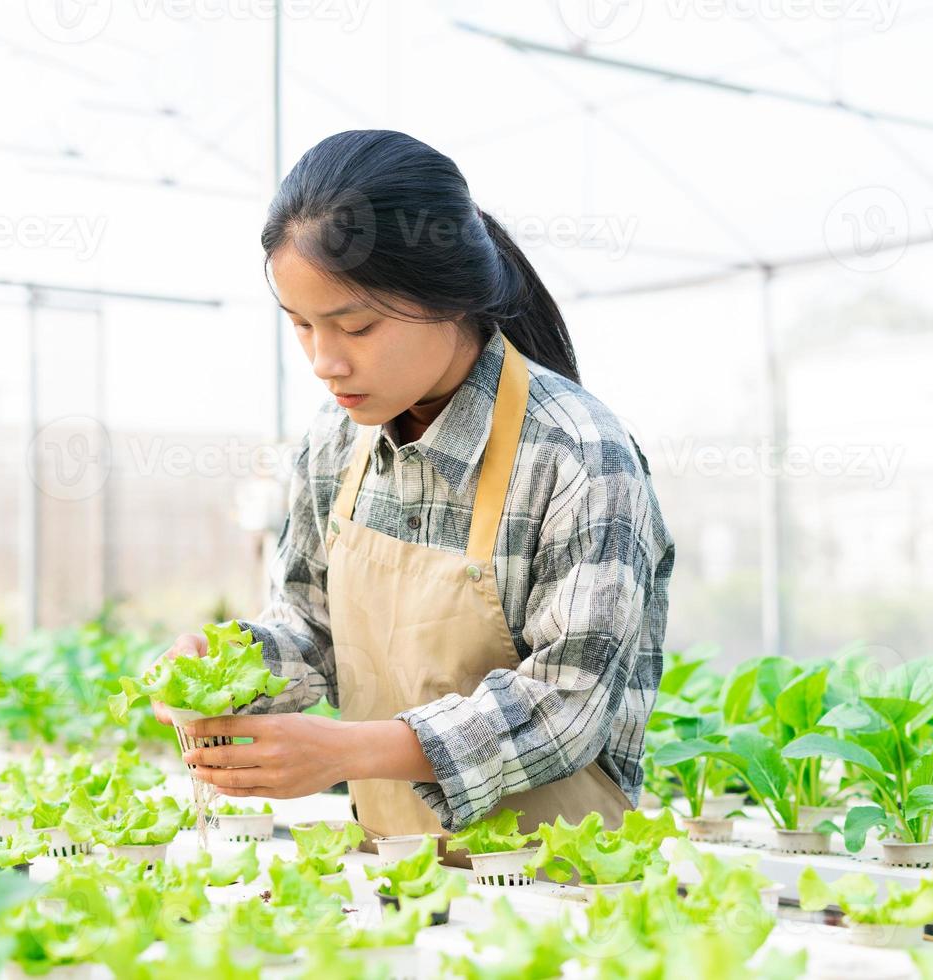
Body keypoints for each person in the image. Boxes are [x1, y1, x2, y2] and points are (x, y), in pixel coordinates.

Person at [153, 130, 674, 857]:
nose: (324, 361)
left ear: (449, 297)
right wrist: (225, 667)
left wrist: (346, 753)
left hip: (564, 881)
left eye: (355, 325)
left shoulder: (579, 456)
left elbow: (565, 705)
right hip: (396, 870)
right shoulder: (337, 442)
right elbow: (311, 627)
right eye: (302, 326)